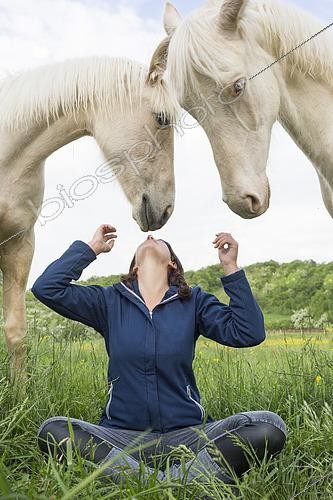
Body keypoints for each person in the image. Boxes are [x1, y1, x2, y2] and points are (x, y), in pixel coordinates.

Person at [32, 224, 287, 487]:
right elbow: (46, 288)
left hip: (190, 436)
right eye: (146, 239)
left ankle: (140, 480)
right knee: (54, 430)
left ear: (172, 264)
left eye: (159, 239)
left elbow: (249, 332)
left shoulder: (194, 302)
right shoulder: (108, 301)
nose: (150, 236)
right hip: (121, 437)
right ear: (135, 268)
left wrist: (230, 267)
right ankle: (183, 481)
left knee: (268, 426)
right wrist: (91, 249)